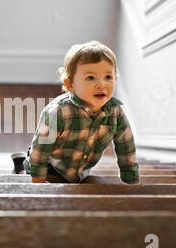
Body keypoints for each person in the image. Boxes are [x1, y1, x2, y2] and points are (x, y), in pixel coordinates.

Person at [12, 41, 139, 184]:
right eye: (90, 77)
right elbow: (41, 146)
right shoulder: (58, 111)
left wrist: (130, 179)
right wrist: (38, 179)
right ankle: (21, 165)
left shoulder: (116, 112)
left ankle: (22, 163)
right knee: (28, 173)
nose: (101, 84)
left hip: (79, 170)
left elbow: (126, 145)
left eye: (108, 77)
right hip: (51, 164)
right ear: (70, 85)